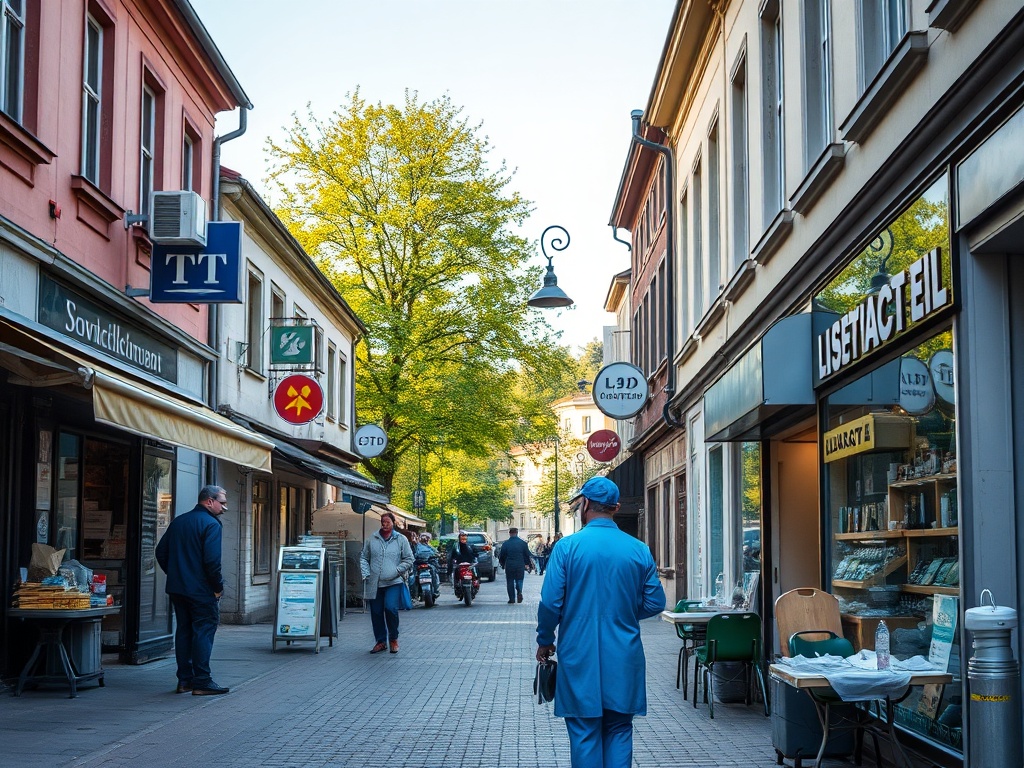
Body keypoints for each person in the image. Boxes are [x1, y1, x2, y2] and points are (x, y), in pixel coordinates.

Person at [535, 476, 666, 768]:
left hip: (578, 653)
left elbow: (550, 603)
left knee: (584, 730)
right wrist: (624, 612)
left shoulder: (567, 548)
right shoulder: (638, 549)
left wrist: (545, 639)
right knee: (619, 729)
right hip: (624, 653)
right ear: (616, 508)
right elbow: (656, 602)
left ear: (584, 506)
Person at [155, 485, 231, 696]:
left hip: (178, 588)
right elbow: (212, 562)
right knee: (203, 631)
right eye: (222, 502)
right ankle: (202, 681)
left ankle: (184, 680)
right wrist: (217, 588)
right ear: (209, 501)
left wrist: (175, 573)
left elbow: (161, 552)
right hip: (201, 590)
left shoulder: (179, 521)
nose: (225, 507)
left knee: (184, 631)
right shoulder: (211, 524)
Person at [360, 511, 414, 654]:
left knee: (390, 608)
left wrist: (397, 570)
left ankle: (393, 639)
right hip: (375, 583)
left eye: (387, 522)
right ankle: (381, 641)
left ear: (393, 523)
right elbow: (364, 557)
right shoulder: (373, 538)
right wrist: (366, 573)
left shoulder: (401, 539)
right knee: (376, 612)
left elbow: (409, 559)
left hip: (394, 581)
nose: (384, 525)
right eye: (382, 522)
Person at [498, 527, 532, 604]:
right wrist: (527, 564)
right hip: (520, 564)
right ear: (517, 533)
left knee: (510, 581)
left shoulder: (506, 544)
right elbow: (527, 555)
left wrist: (503, 564)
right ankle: (519, 591)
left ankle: (512, 599)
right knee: (519, 580)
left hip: (509, 565)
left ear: (509, 533)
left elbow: (502, 555)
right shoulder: (523, 543)